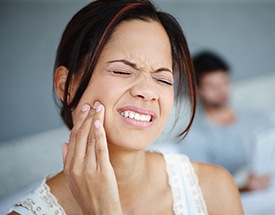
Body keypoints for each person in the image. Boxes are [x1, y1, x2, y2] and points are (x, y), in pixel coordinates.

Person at [8, 1, 243, 214]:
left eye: (163, 79)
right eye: (122, 71)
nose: (148, 92)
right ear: (66, 85)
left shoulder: (214, 188)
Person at [180, 51, 273, 192]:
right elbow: (204, 186)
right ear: (197, 90)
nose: (221, 91)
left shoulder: (257, 118)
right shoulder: (195, 135)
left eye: (224, 82)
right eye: (212, 87)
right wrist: (244, 188)